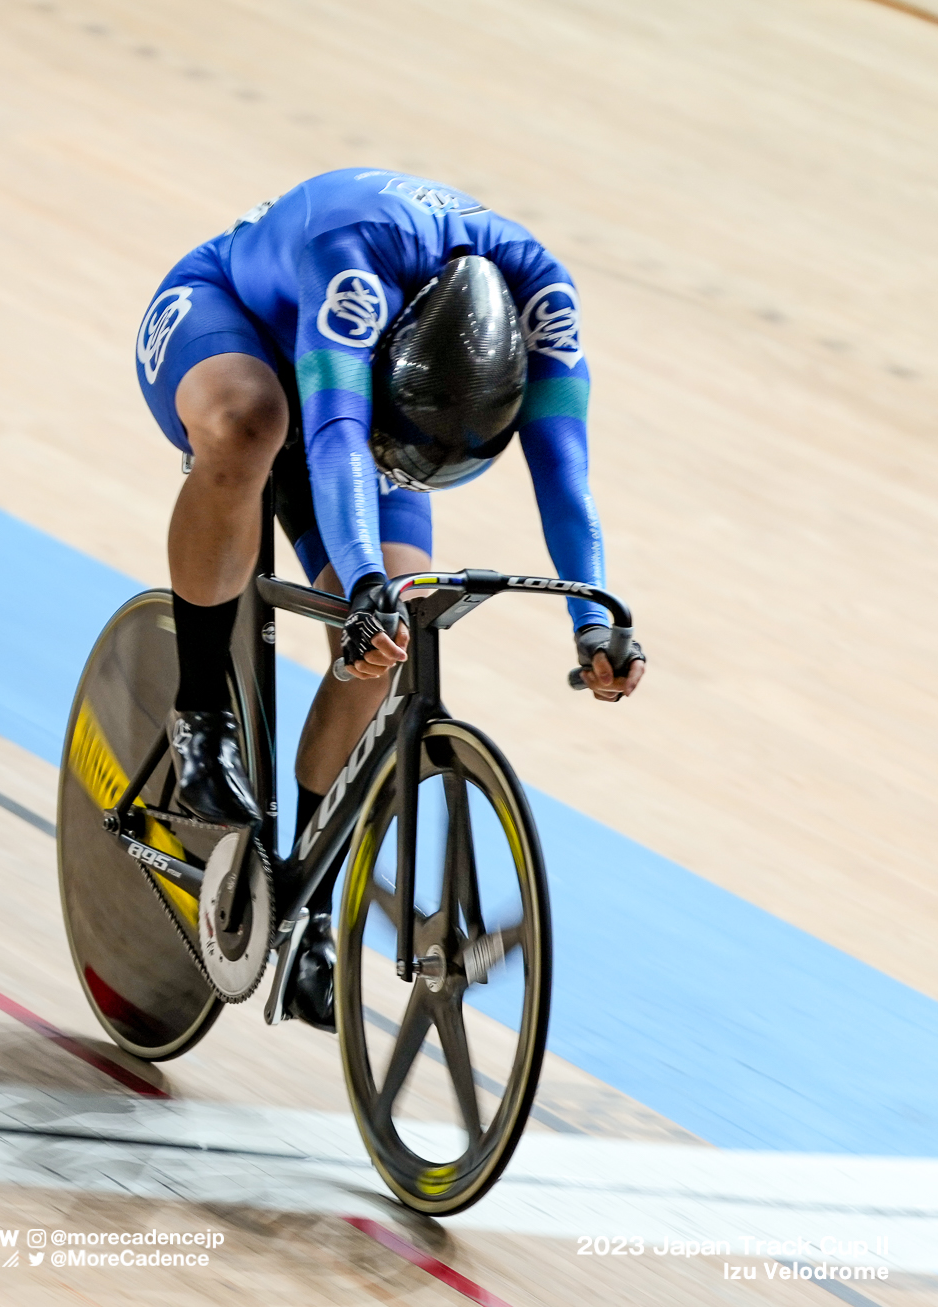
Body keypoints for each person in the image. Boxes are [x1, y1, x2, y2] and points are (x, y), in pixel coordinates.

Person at [134, 169, 645, 1021]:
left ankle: (307, 906)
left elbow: (564, 471)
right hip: (235, 320)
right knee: (251, 423)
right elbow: (336, 433)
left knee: (393, 630)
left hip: (370, 405)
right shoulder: (351, 262)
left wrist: (594, 620)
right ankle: (200, 717)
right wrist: (360, 577)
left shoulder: (544, 298)